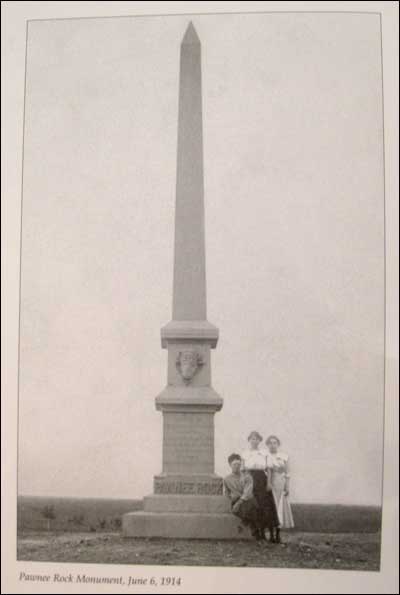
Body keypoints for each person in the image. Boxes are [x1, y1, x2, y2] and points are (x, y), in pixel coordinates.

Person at [241, 431, 280, 542]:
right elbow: (243, 470)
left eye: (257, 439)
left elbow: (269, 469)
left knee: (266, 505)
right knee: (254, 505)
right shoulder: (245, 453)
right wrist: (246, 482)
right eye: (252, 439)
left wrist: (268, 483)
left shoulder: (264, 453)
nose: (254, 441)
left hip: (262, 479)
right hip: (250, 478)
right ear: (249, 440)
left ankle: (272, 534)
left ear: (260, 440)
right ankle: (260, 533)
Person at [223, 453, 265, 541]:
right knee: (249, 509)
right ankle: (254, 530)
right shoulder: (226, 479)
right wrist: (231, 501)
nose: (237, 466)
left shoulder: (247, 476)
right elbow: (226, 493)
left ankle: (249, 527)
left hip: (247, 500)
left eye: (239, 464)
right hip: (236, 501)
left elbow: (248, 492)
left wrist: (238, 503)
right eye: (234, 464)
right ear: (230, 465)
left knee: (251, 505)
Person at [265, 434, 295, 543]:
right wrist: (268, 483)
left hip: (281, 483)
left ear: (278, 444)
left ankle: (278, 534)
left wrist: (287, 486)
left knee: (280, 507)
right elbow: (268, 471)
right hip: (271, 482)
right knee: (272, 507)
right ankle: (271, 535)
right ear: (267, 445)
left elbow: (287, 472)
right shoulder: (267, 456)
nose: (272, 445)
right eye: (270, 443)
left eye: (274, 443)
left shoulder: (284, 456)